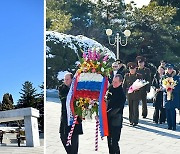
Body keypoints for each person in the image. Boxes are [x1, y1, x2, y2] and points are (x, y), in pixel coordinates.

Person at [59, 72, 83, 154]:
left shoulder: (77, 88)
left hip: (75, 117)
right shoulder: (62, 88)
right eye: (64, 79)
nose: (65, 81)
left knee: (74, 140)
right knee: (63, 136)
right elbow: (64, 100)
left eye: (67, 79)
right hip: (65, 116)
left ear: (72, 80)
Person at [106, 74, 126, 154]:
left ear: (121, 82)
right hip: (108, 119)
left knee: (114, 142)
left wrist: (107, 112)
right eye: (113, 81)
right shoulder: (110, 88)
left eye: (116, 82)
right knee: (109, 141)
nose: (114, 84)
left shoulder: (121, 94)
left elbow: (117, 108)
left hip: (116, 120)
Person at [123, 62, 142, 126]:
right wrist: (123, 93)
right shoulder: (127, 76)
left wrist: (138, 88)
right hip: (129, 94)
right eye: (131, 69)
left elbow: (142, 84)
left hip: (136, 94)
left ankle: (135, 120)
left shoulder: (139, 76)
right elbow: (124, 85)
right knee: (130, 107)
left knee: (135, 108)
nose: (132, 70)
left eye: (133, 69)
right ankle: (131, 120)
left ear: (135, 69)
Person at [162, 64, 179, 130]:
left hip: (173, 96)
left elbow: (178, 87)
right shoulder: (164, 77)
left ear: (173, 69)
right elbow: (162, 86)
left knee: (172, 110)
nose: (169, 70)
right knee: (167, 110)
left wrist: (173, 88)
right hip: (166, 96)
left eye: (171, 68)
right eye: (168, 68)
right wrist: (166, 89)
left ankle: (173, 126)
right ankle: (169, 125)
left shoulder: (176, 77)